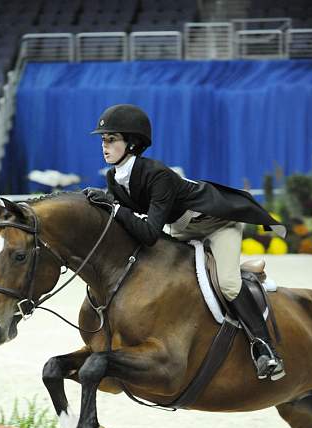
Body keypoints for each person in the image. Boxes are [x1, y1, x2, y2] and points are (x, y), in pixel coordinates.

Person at [83, 104, 286, 381]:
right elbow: (124, 226)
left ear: (131, 144)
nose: (104, 146)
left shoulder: (157, 175)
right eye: (103, 140)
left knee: (227, 283)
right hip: (182, 228)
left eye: (111, 139)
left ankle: (265, 349)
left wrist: (116, 209)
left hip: (217, 224)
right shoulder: (113, 177)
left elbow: (149, 233)